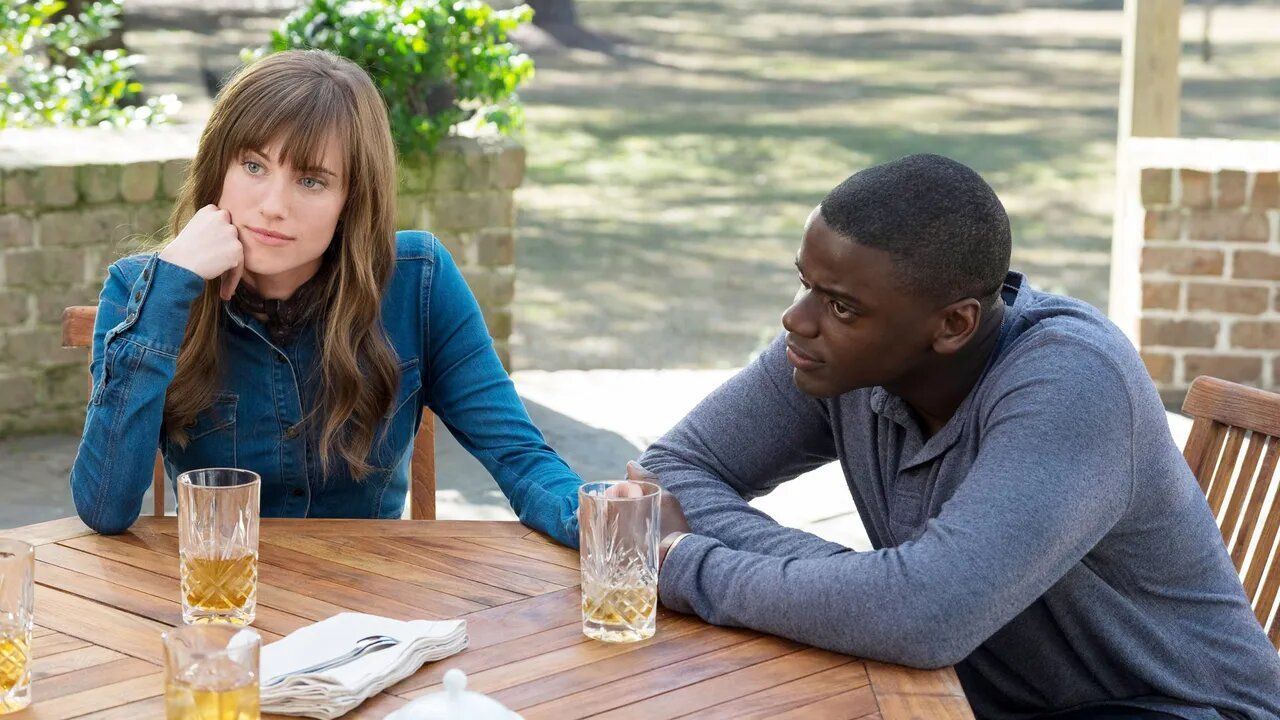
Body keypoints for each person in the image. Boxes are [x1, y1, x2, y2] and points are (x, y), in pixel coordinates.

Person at [635, 155, 1280, 719]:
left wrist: (687, 562)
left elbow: (922, 618)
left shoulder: (1073, 382)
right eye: (805, 285)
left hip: (1175, 708)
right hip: (965, 698)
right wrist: (862, 586)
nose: (796, 319)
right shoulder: (842, 356)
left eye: (840, 306)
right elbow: (667, 471)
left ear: (953, 325)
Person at [69, 50, 582, 547]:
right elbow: (104, 506)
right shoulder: (140, 289)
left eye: (311, 180)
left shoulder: (418, 280)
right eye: (253, 166)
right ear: (218, 167)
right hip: (217, 590)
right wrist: (169, 287)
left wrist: (598, 516)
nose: (273, 206)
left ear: (351, 200)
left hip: (366, 592)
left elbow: (520, 457)